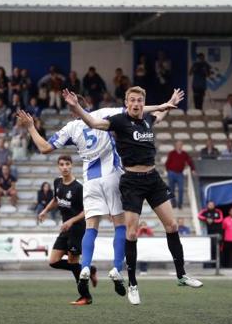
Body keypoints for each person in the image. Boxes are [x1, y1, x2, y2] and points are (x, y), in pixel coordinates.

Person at [20, 88, 184, 302]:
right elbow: (135, 110)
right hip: (113, 176)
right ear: (87, 104)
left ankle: (86, 267)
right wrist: (163, 104)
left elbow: (43, 148)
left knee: (91, 227)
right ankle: (117, 268)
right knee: (120, 225)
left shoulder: (70, 127)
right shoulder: (105, 113)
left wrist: (31, 127)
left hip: (90, 181)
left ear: (73, 111)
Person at [63, 85, 203, 306]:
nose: (136, 104)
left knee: (172, 226)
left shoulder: (147, 121)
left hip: (153, 179)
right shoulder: (119, 121)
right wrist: (77, 107)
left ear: (142, 102)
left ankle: (181, 275)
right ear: (126, 103)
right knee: (131, 232)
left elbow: (159, 114)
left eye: (139, 100)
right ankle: (133, 284)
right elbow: (93, 123)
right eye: (132, 100)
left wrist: (170, 101)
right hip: (131, 182)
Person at [37, 155, 89, 302]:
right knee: (53, 261)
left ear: (72, 166)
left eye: (67, 164)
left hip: (78, 228)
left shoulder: (79, 187)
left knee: (73, 262)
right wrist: (45, 211)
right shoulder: (57, 182)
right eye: (61, 164)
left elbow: (87, 211)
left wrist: (71, 221)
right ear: (58, 167)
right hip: (65, 228)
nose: (64, 167)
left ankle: (85, 296)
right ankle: (87, 270)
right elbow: (56, 199)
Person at [165, 141, 196, 210]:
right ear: (175, 146)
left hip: (180, 174)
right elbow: (167, 163)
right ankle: (173, 203)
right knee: (171, 189)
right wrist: (168, 171)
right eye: (178, 145)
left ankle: (180, 204)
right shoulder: (171, 153)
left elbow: (189, 161)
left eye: (180, 145)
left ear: (182, 146)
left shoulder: (185, 154)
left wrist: (193, 169)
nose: (179, 146)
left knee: (181, 189)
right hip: (171, 173)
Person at [198, 201, 223, 265]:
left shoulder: (218, 211)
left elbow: (221, 219)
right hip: (208, 234)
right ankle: (210, 264)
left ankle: (218, 264)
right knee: (209, 248)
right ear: (207, 205)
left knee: (217, 248)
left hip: (217, 233)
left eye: (212, 204)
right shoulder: (204, 211)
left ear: (214, 205)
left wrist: (213, 220)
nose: (211, 206)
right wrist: (206, 219)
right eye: (209, 205)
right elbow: (199, 216)